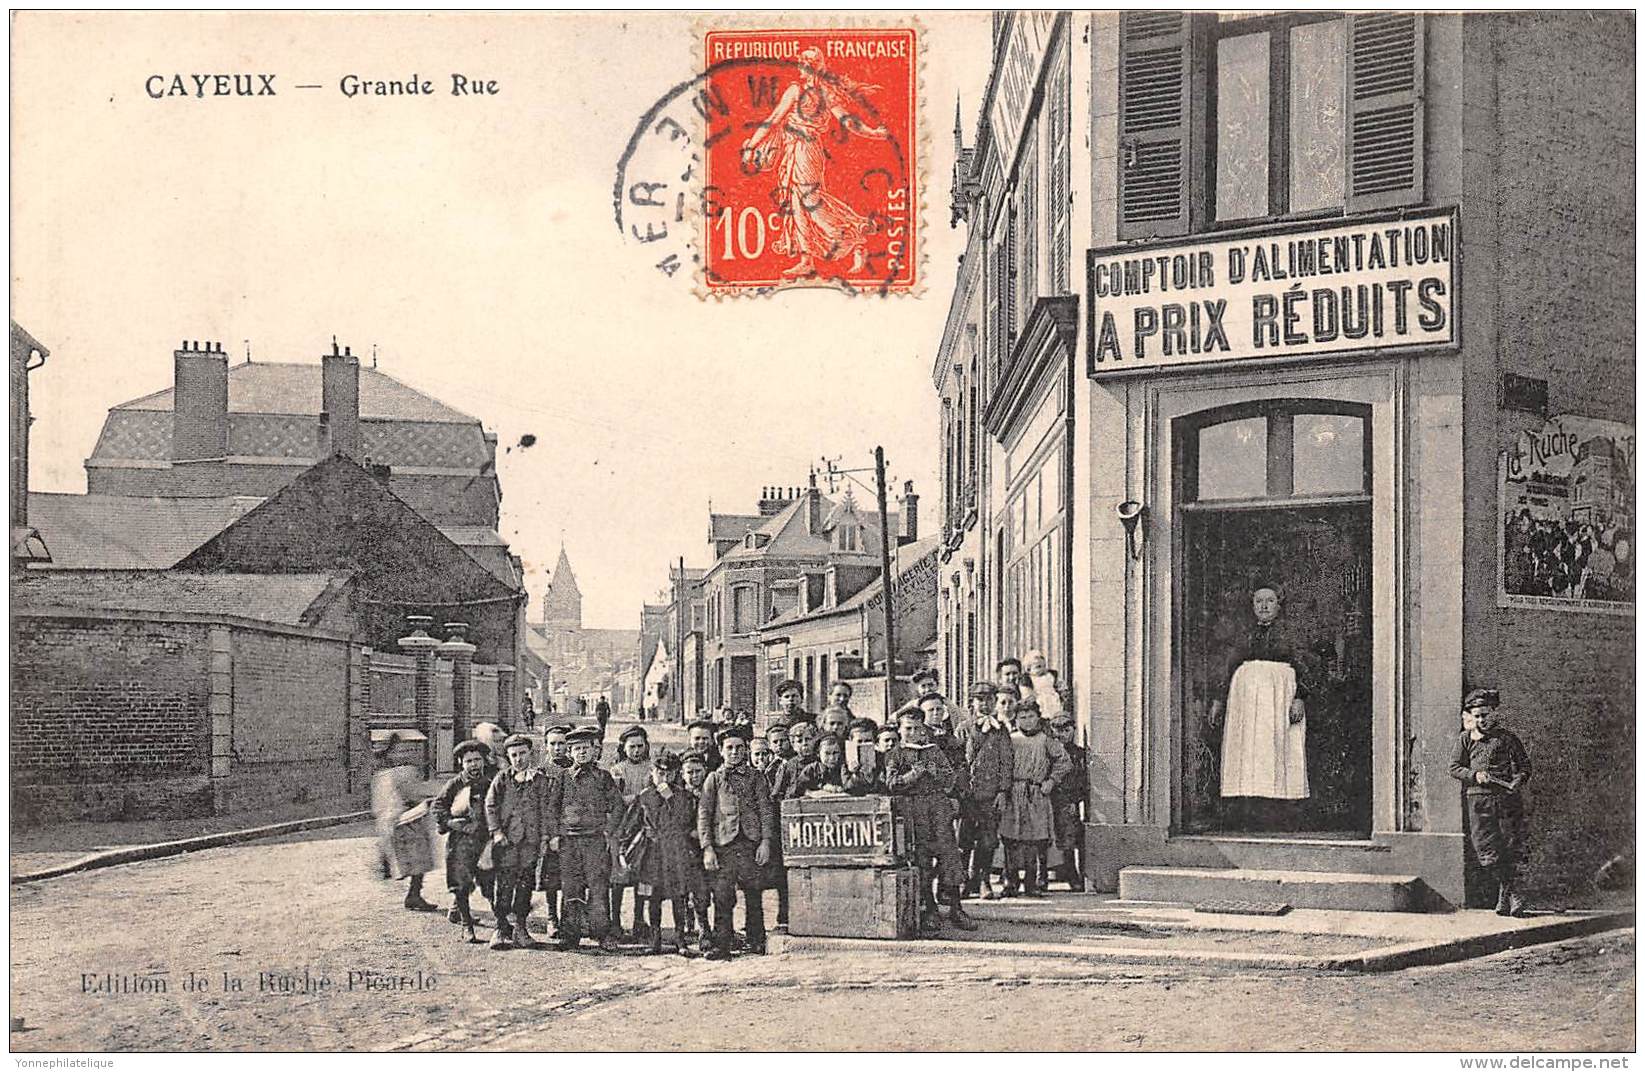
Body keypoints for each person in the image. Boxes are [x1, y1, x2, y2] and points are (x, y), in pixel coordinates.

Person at [740, 46, 892, 280]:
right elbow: (848, 122)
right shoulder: (819, 92)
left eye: (804, 62)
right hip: (795, 150)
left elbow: (773, 120)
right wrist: (872, 132)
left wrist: (752, 144)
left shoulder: (804, 91)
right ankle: (806, 259)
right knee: (797, 201)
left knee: (810, 200)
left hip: (805, 150)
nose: (801, 66)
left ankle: (853, 237)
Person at [1210, 585, 1318, 829]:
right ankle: (1249, 813)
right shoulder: (1243, 634)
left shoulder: (1292, 633)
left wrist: (1300, 697)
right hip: (1244, 702)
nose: (1264, 606)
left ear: (1279, 605)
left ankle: (1280, 814)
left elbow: (1306, 666)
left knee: (1278, 748)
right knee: (1248, 751)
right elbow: (1228, 666)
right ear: (1253, 605)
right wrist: (1219, 700)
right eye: (1259, 601)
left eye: (1270, 601)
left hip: (1279, 697)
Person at [886, 708, 975, 934]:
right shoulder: (895, 753)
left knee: (949, 856)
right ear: (900, 729)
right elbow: (891, 783)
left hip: (938, 808)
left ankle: (956, 908)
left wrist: (936, 772)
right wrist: (913, 775)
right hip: (913, 810)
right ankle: (930, 910)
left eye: (917, 728)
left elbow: (950, 779)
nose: (913, 733)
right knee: (922, 860)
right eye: (908, 728)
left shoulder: (934, 750)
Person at [617, 751, 712, 956]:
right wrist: (624, 850)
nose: (664, 778)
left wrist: (669, 798)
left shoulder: (684, 797)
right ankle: (655, 939)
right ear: (652, 772)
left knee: (679, 897)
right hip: (651, 854)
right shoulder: (644, 797)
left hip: (676, 853)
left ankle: (680, 940)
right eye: (660, 773)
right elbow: (630, 825)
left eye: (669, 774)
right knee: (652, 897)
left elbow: (688, 822)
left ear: (676, 774)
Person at [1448, 689, 1533, 916]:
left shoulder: (1507, 739)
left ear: (1494, 713)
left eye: (1485, 715)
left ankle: (1512, 896)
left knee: (1508, 847)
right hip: (1478, 801)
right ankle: (1508, 890)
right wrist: (1474, 776)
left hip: (1506, 800)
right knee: (1486, 851)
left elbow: (1525, 767)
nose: (1481, 720)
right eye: (1476, 716)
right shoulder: (1465, 739)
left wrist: (1518, 780)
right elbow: (1454, 767)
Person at [697, 724, 776, 959]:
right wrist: (708, 848)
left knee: (753, 893)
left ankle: (756, 940)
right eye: (729, 748)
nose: (735, 752)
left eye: (740, 748)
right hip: (724, 846)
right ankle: (721, 944)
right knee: (723, 896)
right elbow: (704, 813)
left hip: (750, 843)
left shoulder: (756, 777)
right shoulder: (714, 778)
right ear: (721, 751)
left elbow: (765, 810)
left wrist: (765, 842)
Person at [546, 726, 623, 952]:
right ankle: (571, 934)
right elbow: (552, 808)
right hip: (569, 842)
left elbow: (617, 806)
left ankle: (602, 933)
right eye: (576, 749)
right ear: (570, 752)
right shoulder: (563, 778)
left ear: (594, 750)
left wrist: (609, 830)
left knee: (598, 887)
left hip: (595, 841)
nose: (581, 753)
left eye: (585, 748)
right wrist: (554, 835)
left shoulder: (603, 777)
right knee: (571, 888)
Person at [483, 733, 552, 950]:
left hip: (530, 842)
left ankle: (521, 928)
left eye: (523, 753)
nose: (519, 759)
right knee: (504, 885)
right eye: (514, 755)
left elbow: (546, 810)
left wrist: (544, 838)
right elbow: (491, 806)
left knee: (526, 884)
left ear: (530, 754)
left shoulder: (540, 780)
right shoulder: (502, 779)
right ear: (508, 757)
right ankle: (501, 927)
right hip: (507, 842)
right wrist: (496, 832)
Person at [999, 700, 1071, 898]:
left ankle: (1031, 883)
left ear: (1038, 717)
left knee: (1034, 839)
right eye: (1022, 717)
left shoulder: (1045, 740)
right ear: (1016, 719)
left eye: (1031, 716)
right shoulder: (1011, 739)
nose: (1027, 721)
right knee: (1011, 839)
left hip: (1037, 793)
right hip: (1014, 792)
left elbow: (1064, 762)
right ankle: (1010, 882)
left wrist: (1052, 780)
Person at [432, 740, 498, 943]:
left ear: (484, 761)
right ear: (461, 762)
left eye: (477, 760)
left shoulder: (492, 782)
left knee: (490, 882)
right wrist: (452, 823)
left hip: (485, 841)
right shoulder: (454, 784)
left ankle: (501, 921)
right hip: (461, 843)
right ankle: (467, 925)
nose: (474, 765)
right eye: (469, 761)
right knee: (461, 884)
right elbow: (437, 807)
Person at [370, 733, 440, 914]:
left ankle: (391, 868)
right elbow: (412, 796)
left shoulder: (380, 775)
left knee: (409, 856)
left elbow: (378, 805)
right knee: (420, 856)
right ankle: (413, 894)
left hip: (389, 820)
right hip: (406, 819)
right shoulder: (403, 773)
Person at [958, 682, 1013, 900]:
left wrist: (1003, 791)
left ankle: (983, 881)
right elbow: (957, 762)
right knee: (965, 839)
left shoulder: (1001, 730)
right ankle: (962, 881)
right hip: (968, 795)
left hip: (991, 795)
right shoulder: (964, 728)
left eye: (989, 699)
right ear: (972, 702)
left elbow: (1007, 762)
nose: (984, 704)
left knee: (988, 840)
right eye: (979, 699)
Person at [608, 726, 654, 943]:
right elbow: (614, 799)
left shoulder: (652, 769)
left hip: (645, 828)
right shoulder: (617, 770)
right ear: (624, 748)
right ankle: (615, 922)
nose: (636, 750)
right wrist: (635, 797)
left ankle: (638, 919)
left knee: (642, 876)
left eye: (640, 746)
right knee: (619, 875)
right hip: (622, 829)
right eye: (632, 747)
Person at [678, 750, 715, 951]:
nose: (694, 776)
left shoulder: (712, 792)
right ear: (683, 774)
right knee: (686, 890)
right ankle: (692, 929)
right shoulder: (677, 795)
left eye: (698, 771)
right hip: (686, 849)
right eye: (689, 772)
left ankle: (707, 928)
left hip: (708, 848)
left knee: (706, 890)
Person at [1049, 714, 1088, 891]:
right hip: (1049, 798)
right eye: (1058, 730)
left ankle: (1072, 874)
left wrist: (1075, 800)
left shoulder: (1079, 754)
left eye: (1066, 730)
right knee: (1045, 836)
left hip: (1067, 801)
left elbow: (1082, 780)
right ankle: (1043, 874)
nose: (1063, 734)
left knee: (1069, 837)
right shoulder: (1050, 751)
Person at [1023, 650, 1066, 721]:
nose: (1043, 669)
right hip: (1039, 700)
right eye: (1038, 667)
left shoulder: (1050, 675)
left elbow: (1059, 685)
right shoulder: (1029, 679)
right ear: (1028, 669)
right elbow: (1027, 694)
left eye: (1044, 666)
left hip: (1052, 698)